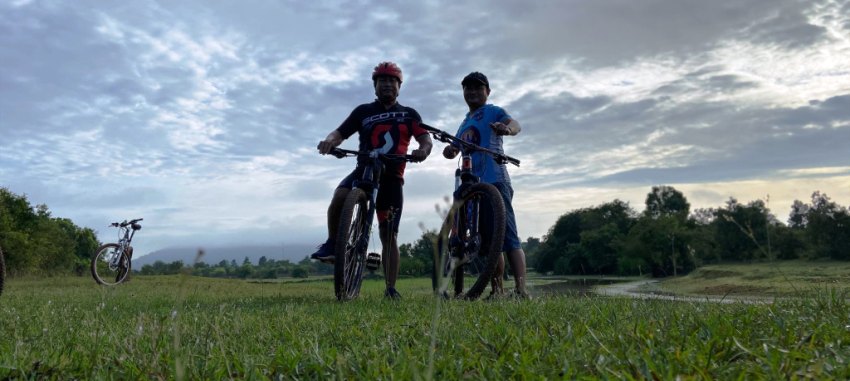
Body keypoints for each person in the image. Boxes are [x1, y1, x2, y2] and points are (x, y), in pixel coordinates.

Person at [311, 62, 433, 300]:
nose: (386, 85)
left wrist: (423, 150)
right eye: (381, 81)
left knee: (389, 235)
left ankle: (390, 288)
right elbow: (339, 132)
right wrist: (329, 141)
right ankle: (334, 244)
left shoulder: (409, 114)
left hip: (392, 178)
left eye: (392, 81)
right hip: (365, 169)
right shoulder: (363, 111)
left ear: (399, 86)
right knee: (340, 195)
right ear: (375, 86)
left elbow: (425, 139)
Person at [442, 71, 529, 299]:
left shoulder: (493, 111)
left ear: (487, 92)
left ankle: (521, 290)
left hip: (496, 180)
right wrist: (450, 150)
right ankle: (497, 291)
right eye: (467, 88)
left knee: (508, 236)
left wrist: (507, 129)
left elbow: (515, 124)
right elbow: (455, 148)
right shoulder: (464, 123)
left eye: (477, 88)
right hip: (473, 185)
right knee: (491, 242)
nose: (472, 92)